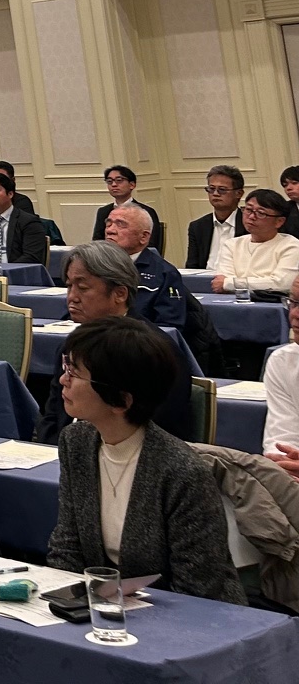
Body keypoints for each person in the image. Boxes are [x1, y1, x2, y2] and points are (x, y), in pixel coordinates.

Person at [46, 318, 245, 603]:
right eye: (67, 368)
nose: (63, 380)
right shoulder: (76, 441)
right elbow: (67, 546)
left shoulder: (182, 471)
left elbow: (199, 586)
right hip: (105, 606)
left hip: (190, 613)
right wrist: (65, 603)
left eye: (74, 374)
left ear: (121, 401)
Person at [31, 243, 194, 443]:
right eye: (69, 286)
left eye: (83, 288)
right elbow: (52, 416)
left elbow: (158, 431)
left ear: (120, 294)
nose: (72, 297)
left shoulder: (152, 351)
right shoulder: (72, 345)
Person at [102, 205, 187, 329]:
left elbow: (169, 327)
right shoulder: (93, 266)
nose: (110, 230)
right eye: (108, 224)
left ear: (143, 237)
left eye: (120, 225)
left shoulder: (165, 274)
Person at [211, 190, 299, 295]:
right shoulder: (232, 244)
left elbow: (281, 284)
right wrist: (259, 282)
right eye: (248, 210)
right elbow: (221, 280)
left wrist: (230, 283)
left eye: (261, 213)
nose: (252, 217)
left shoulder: (291, 245)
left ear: (279, 221)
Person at [263, 278, 299, 478]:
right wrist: (285, 463)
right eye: (294, 303)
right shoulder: (283, 362)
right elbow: (281, 438)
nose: (295, 314)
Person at [93, 164, 166, 256]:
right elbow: (97, 242)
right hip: (109, 258)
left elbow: (151, 244)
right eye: (109, 181)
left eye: (119, 180)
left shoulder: (145, 211)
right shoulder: (103, 211)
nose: (114, 185)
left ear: (132, 185)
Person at [188, 165, 247, 272]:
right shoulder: (198, 227)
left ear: (239, 193)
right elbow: (191, 268)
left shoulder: (249, 225)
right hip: (203, 280)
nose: (215, 194)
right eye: (211, 189)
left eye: (222, 190)